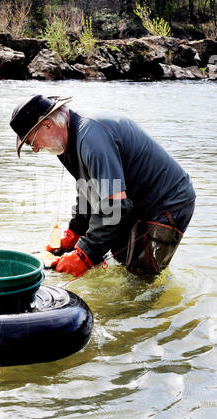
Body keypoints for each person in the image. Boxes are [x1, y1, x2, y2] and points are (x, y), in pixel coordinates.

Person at [10, 94, 196, 280]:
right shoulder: (66, 141)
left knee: (139, 279)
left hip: (166, 203)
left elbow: (115, 205)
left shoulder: (92, 138)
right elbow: (87, 189)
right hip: (131, 201)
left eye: (31, 142)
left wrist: (85, 254)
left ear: (47, 125)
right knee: (121, 261)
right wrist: (76, 231)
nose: (34, 149)